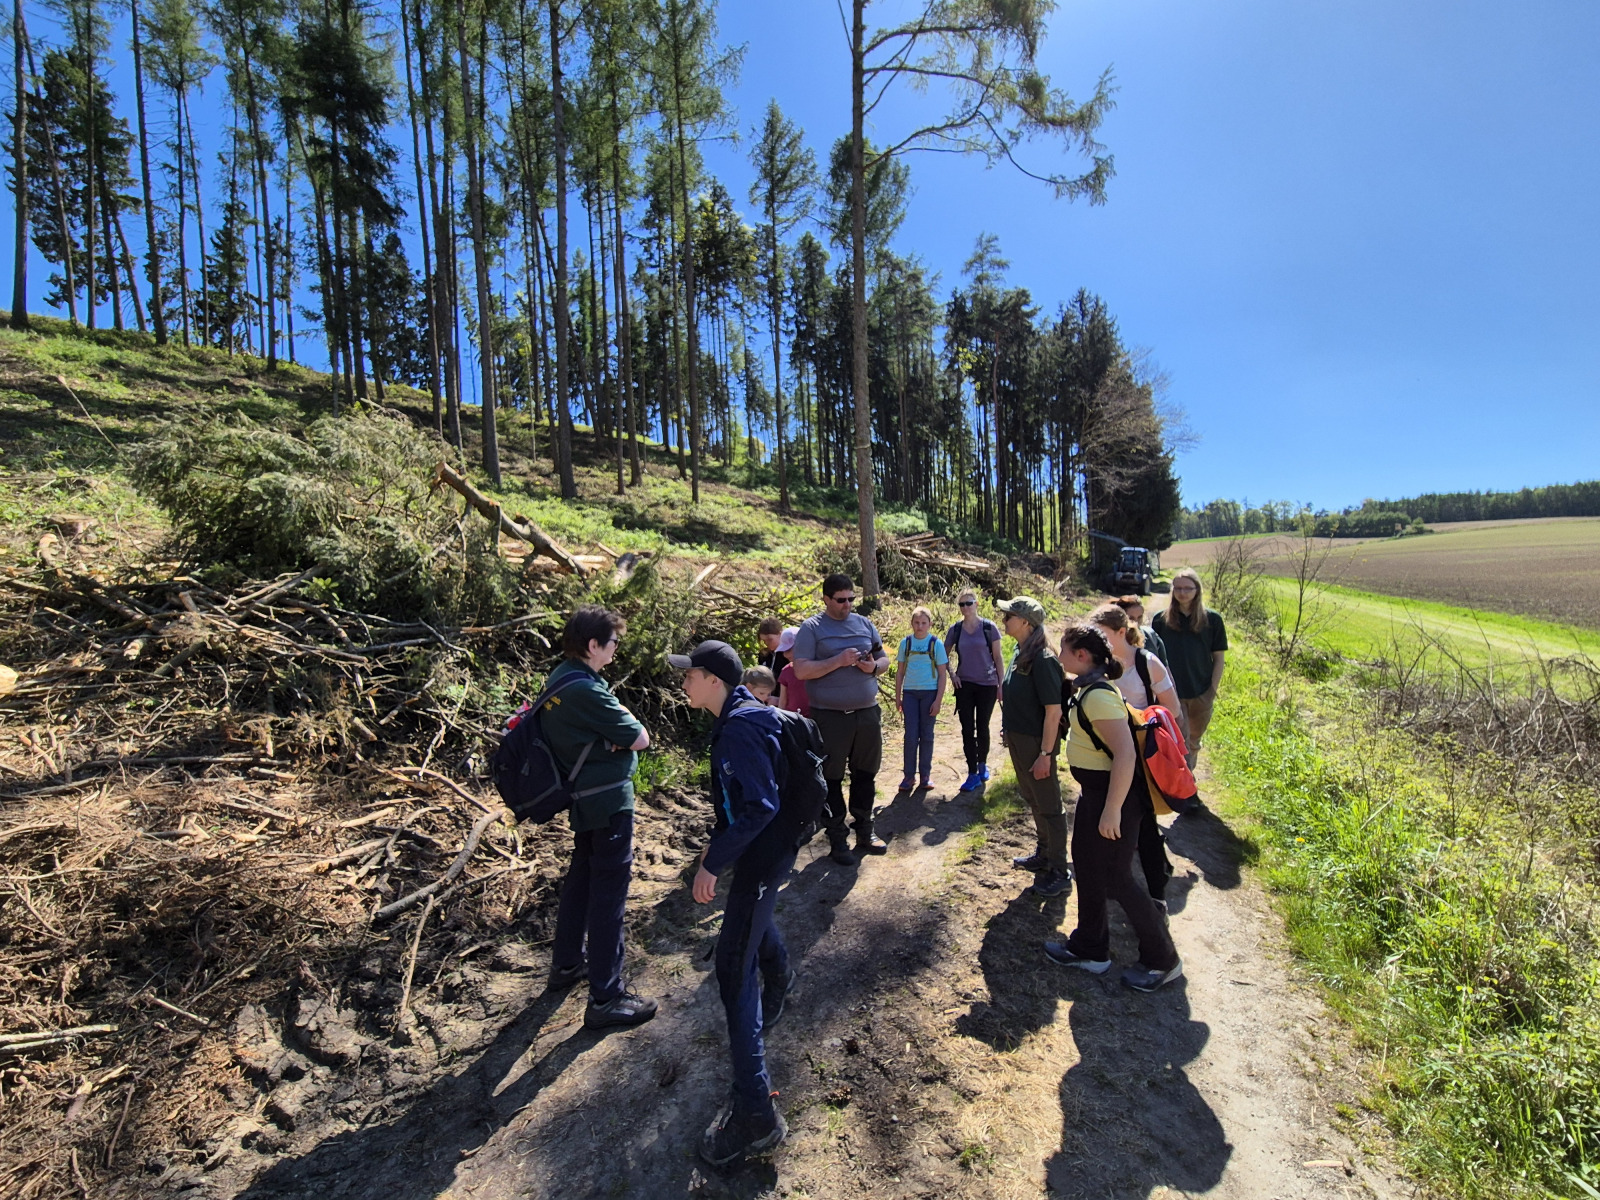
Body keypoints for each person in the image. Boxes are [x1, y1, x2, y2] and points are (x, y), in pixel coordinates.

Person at [670, 640, 795, 1166]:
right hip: (760, 853)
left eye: (690, 675)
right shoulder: (734, 717)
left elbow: (761, 805)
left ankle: (757, 1116)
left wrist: (713, 862)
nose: (684, 682)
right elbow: (738, 802)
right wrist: (718, 844)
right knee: (749, 928)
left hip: (763, 858)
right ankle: (782, 976)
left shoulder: (740, 727)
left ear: (714, 681)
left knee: (731, 965)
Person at [1044, 623, 1183, 991]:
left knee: (1117, 877)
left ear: (1082, 656)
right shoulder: (1088, 689)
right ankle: (1090, 948)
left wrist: (1112, 810)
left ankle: (1163, 959)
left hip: (1114, 796)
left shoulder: (1099, 697)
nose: (1059, 655)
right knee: (1089, 867)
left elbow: (1125, 755)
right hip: (1095, 794)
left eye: (1064, 649)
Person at [542, 606, 658, 1029]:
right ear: (593, 645)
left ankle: (567, 963)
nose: (615, 649)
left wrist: (610, 741)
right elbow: (641, 738)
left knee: (581, 881)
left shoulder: (560, 677)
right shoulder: (587, 691)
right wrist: (616, 741)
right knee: (609, 896)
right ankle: (606, 997)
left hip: (584, 799)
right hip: (607, 802)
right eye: (612, 643)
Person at [1088, 603, 1182, 910]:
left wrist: (1134, 718)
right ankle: (1110, 883)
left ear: (1120, 632)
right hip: (1104, 755)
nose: (1096, 642)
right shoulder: (1099, 664)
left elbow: (1172, 709)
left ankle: (1156, 895)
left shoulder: (1147, 663)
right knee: (1108, 815)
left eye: (1101, 635)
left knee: (1145, 825)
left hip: (1140, 759)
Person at [791, 573, 890, 866]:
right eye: (841, 600)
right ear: (826, 599)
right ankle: (837, 839)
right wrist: (838, 661)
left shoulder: (864, 624)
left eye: (851, 599)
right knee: (831, 779)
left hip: (867, 713)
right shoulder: (811, 628)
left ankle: (865, 831)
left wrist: (873, 668)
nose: (847, 605)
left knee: (866, 774)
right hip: (830, 718)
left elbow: (884, 659)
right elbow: (801, 670)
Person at [996, 596, 1070, 898]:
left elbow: (1053, 712)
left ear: (1026, 622)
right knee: (1033, 798)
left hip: (1038, 744)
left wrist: (1045, 755)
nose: (1004, 620)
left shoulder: (1043, 659)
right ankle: (1044, 852)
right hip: (1019, 739)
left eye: (1009, 616)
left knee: (1050, 805)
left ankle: (1059, 870)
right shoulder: (1020, 651)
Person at [1150, 569, 1228, 769]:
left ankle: (1186, 776)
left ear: (1197, 590)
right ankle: (1183, 781)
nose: (1182, 593)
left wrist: (1212, 690)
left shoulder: (1213, 620)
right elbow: (1153, 658)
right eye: (1178, 588)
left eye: (1187, 588)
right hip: (1170, 691)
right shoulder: (1160, 620)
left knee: (1193, 741)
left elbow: (1219, 658)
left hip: (1200, 691)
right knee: (1177, 740)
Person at [945, 589, 1006, 793]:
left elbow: (998, 658)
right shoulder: (955, 630)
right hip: (964, 685)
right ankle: (972, 773)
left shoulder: (989, 628)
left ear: (977, 604)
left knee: (982, 726)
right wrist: (952, 675)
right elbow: (942, 655)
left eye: (969, 603)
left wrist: (1001, 685)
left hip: (987, 684)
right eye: (961, 604)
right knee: (967, 729)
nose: (965, 608)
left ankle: (982, 765)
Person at [893, 606, 948, 792]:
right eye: (917, 622)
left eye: (924, 623)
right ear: (911, 623)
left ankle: (925, 775)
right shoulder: (906, 643)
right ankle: (908, 776)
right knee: (910, 736)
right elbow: (900, 672)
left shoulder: (936, 644)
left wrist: (938, 701)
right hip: (910, 694)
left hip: (929, 694)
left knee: (926, 735)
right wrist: (898, 697)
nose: (920, 626)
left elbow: (942, 675)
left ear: (930, 624)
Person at [1112, 594, 1169, 669]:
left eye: (1139, 617)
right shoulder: (1113, 639)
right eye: (1131, 618)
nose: (1136, 622)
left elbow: (1165, 669)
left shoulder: (1150, 636)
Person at [774, 628, 809, 717]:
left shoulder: (814, 668)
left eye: (789, 650)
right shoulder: (785, 671)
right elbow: (782, 702)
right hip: (792, 719)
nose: (785, 655)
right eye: (784, 651)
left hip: (813, 719)